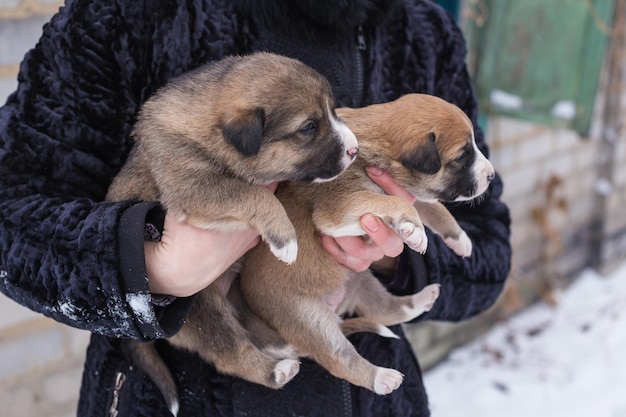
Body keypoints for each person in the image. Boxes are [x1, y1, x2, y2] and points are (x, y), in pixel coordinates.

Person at [0, 0, 512, 416]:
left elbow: (487, 251)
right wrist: (153, 264)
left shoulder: (424, 33)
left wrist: (392, 258)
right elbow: (11, 213)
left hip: (376, 397)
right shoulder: (127, 15)